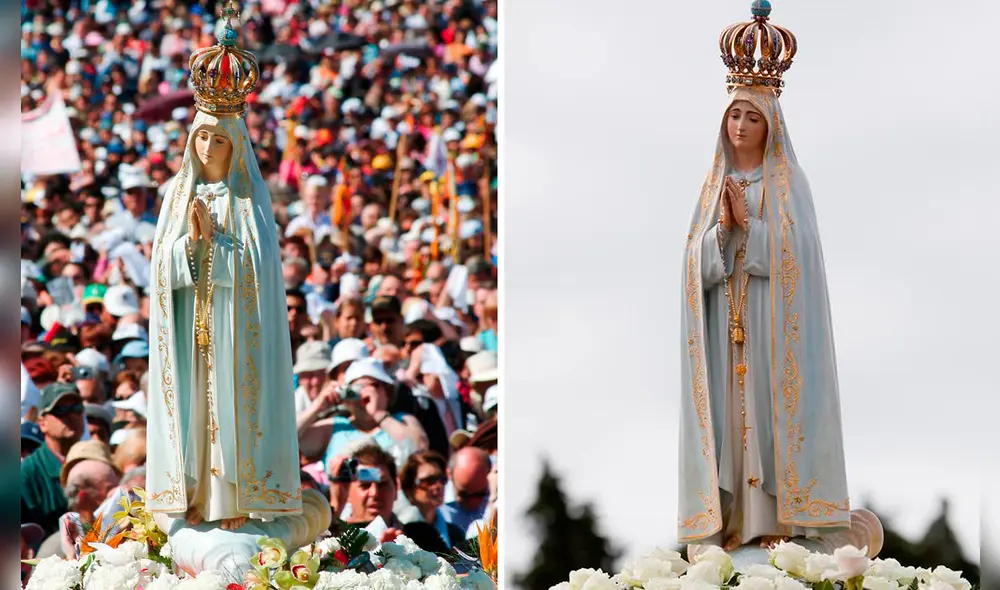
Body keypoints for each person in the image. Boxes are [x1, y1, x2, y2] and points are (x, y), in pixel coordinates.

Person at [677, 2, 849, 551]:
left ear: (770, 125)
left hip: (774, 326)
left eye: (752, 117)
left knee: (770, 414)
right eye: (734, 116)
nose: (742, 125)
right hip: (727, 328)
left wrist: (750, 227)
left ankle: (777, 519)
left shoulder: (788, 182)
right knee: (730, 416)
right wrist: (722, 235)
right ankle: (731, 522)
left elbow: (802, 254)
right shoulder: (713, 185)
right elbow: (693, 263)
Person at [146, 10, 302, 531]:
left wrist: (219, 245)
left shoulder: (248, 198)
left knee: (230, 409)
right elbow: (161, 271)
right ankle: (192, 493)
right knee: (193, 409)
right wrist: (192, 244)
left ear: (236, 145)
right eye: (202, 139)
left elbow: (259, 270)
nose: (209, 148)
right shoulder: (178, 195)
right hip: (193, 326)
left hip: (235, 328)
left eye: (219, 140)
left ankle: (233, 496)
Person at [322, 358, 428, 471]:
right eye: (355, 390)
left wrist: (378, 414)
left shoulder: (404, 420)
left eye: (369, 385)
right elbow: (300, 443)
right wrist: (318, 406)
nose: (362, 394)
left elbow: (420, 448)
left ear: (387, 391)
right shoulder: (335, 426)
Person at [21, 383, 86, 535]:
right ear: (42, 423)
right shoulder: (29, 472)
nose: (70, 416)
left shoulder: (95, 460)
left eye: (76, 408)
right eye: (60, 411)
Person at [398, 451, 466, 550]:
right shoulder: (400, 531)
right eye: (429, 481)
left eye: (442, 479)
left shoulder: (455, 534)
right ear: (409, 489)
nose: (438, 486)